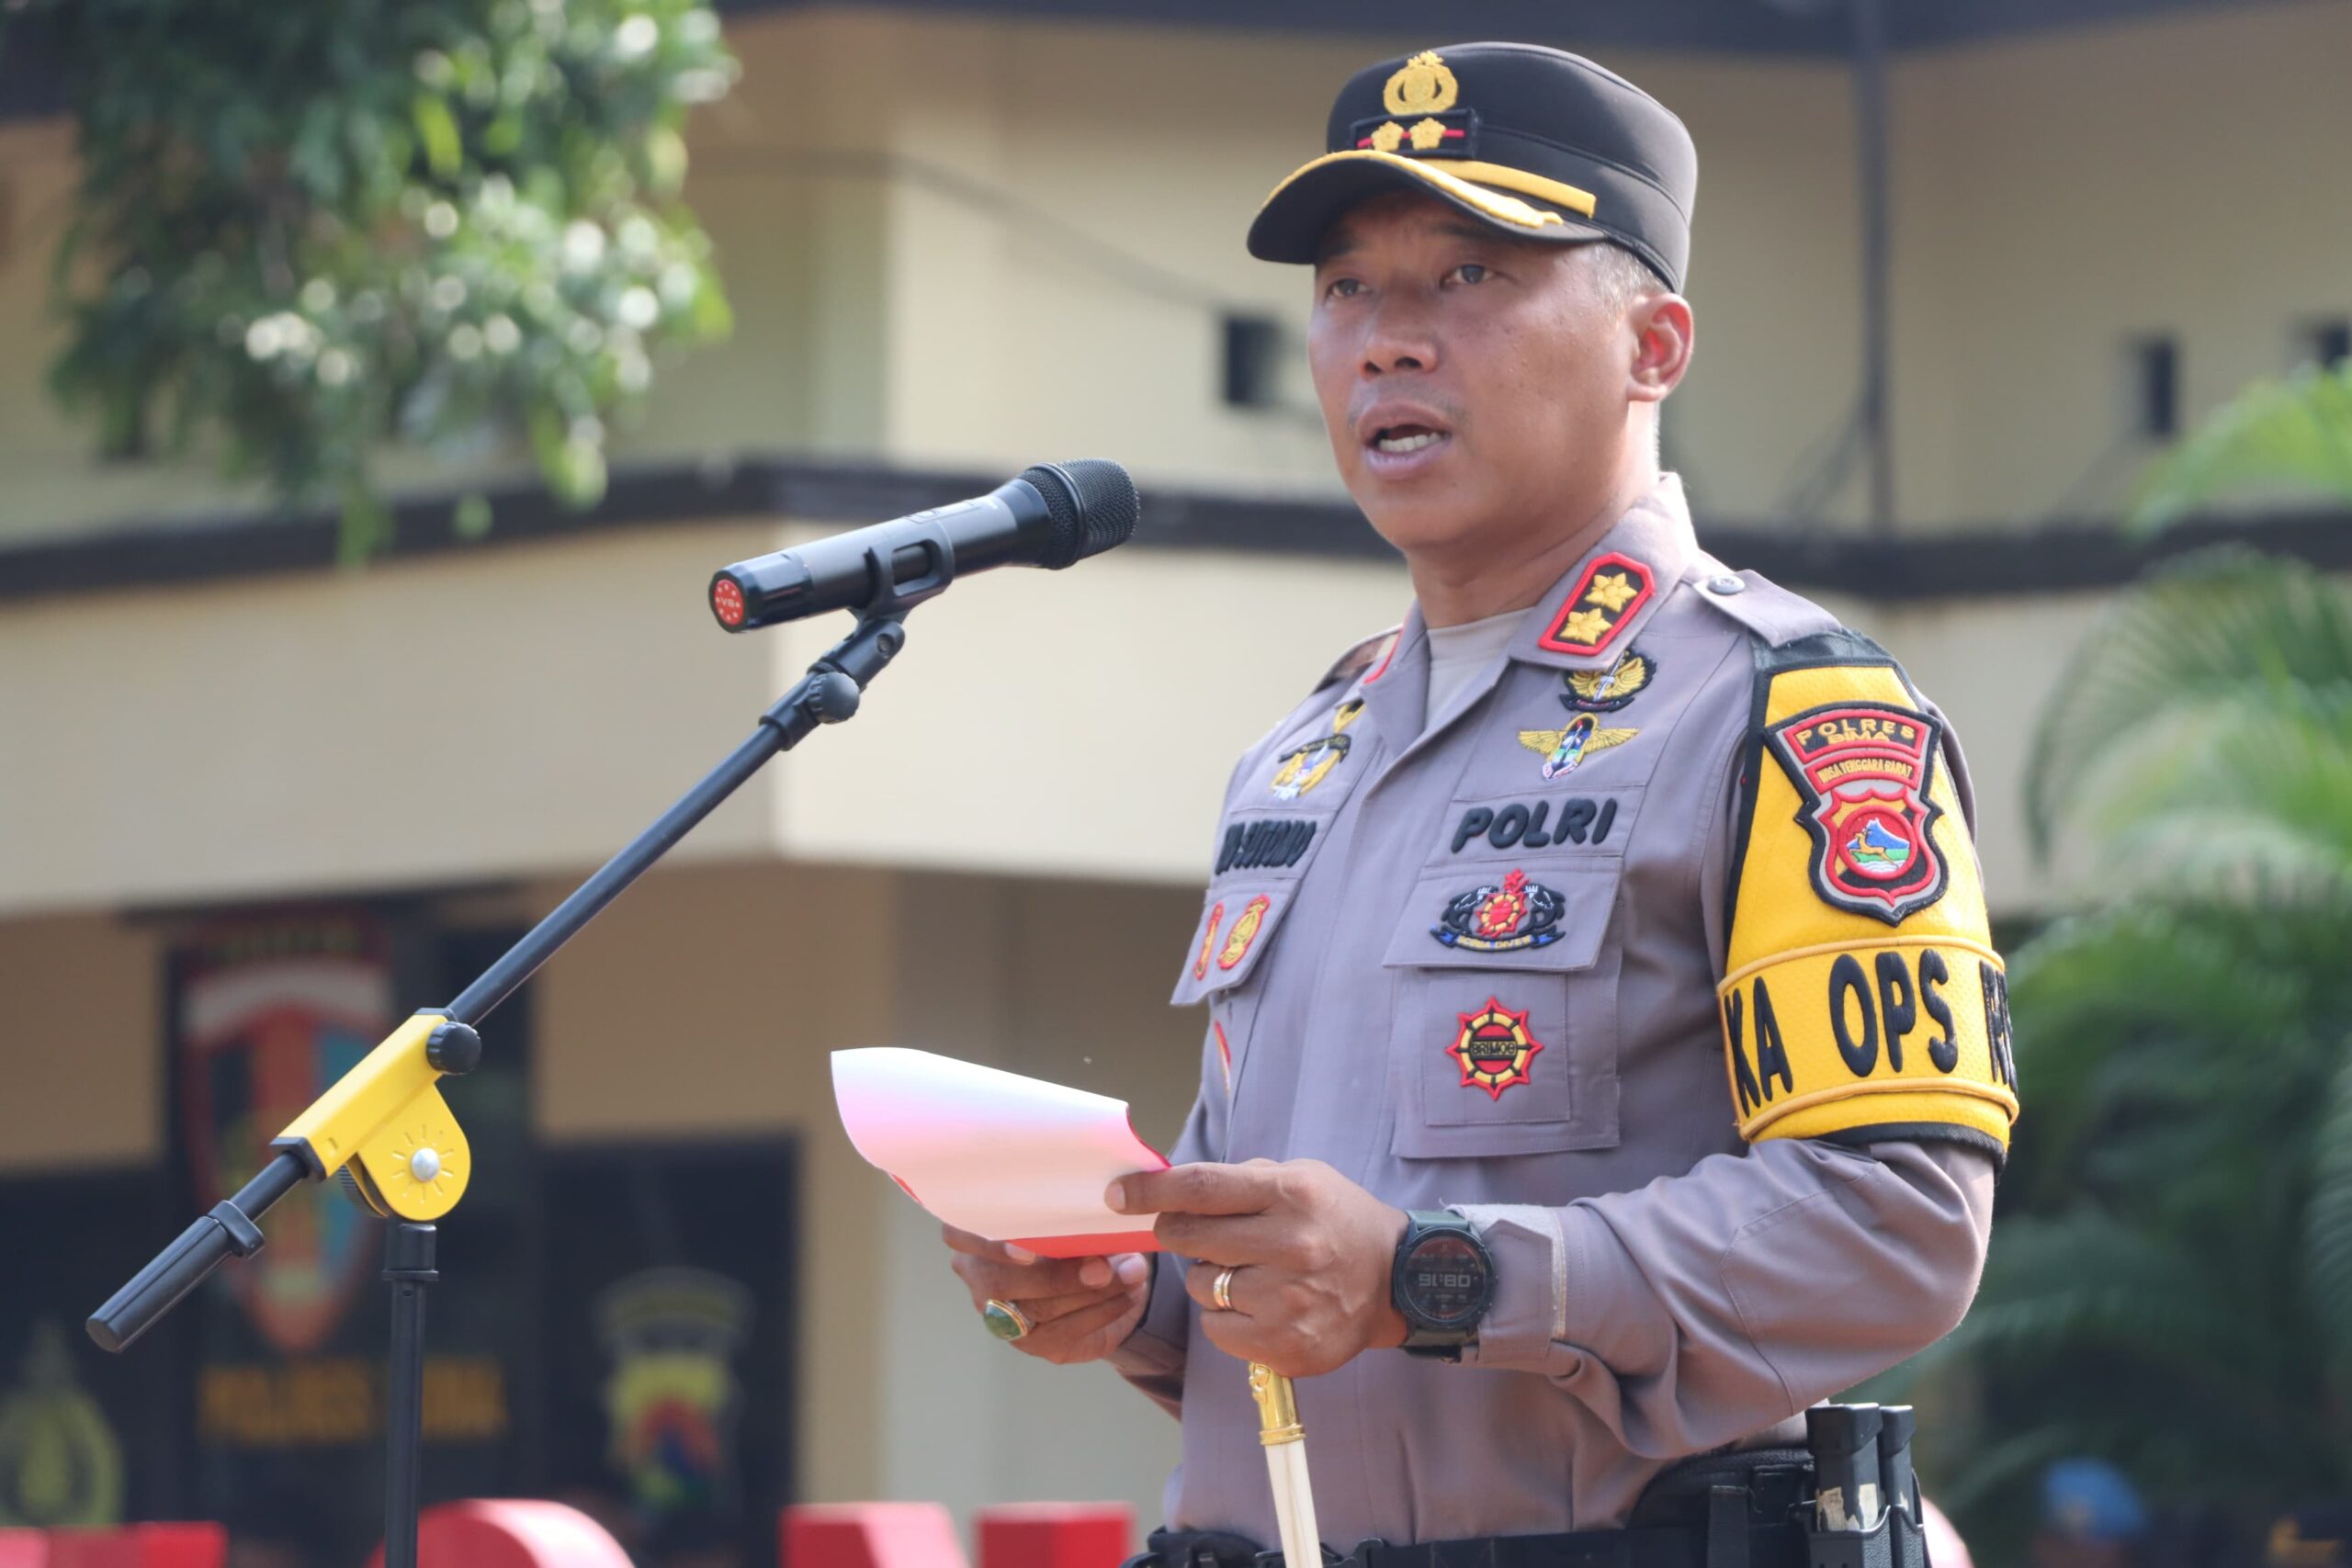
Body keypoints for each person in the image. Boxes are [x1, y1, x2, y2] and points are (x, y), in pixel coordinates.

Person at [944, 40, 2018, 1563]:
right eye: (1348, 288)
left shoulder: (1780, 714)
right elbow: (1300, 1282)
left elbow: (1896, 1221)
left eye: (1469, 276)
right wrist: (1131, 1292)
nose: (1389, 340)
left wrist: (1431, 1276)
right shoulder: (1301, 758)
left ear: (1654, 344)